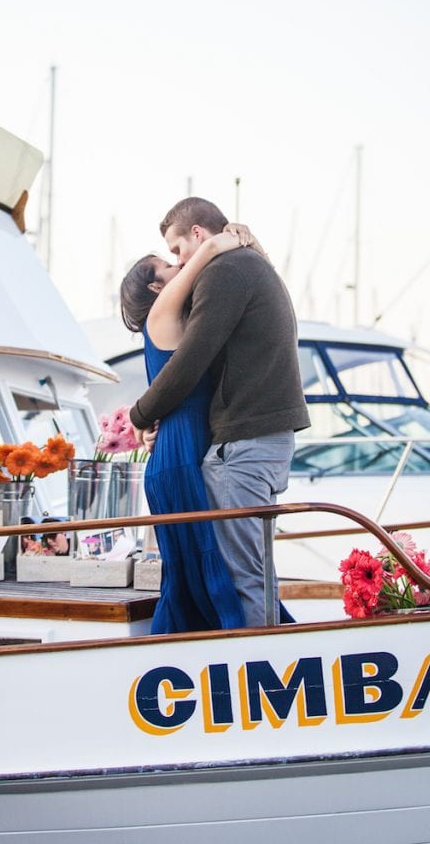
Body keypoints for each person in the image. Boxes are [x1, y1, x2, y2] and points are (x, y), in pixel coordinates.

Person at [129, 197, 310, 627]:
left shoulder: (224, 273)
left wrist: (139, 417)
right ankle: (265, 661)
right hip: (263, 438)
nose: (180, 260)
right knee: (252, 571)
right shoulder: (251, 265)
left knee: (240, 574)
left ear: (197, 234)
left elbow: (189, 363)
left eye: (177, 250)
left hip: (244, 444)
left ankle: (256, 668)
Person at [120, 224, 257, 633]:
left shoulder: (176, 317)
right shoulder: (162, 313)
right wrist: (230, 237)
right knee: (194, 572)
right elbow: (208, 248)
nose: (178, 263)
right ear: (153, 288)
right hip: (179, 453)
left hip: (181, 446)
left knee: (200, 568)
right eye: (166, 263)